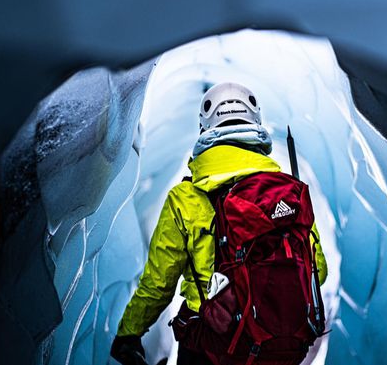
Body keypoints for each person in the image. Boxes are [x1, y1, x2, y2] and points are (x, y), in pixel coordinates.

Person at [111, 82, 328, 365]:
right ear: (256, 123)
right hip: (274, 348)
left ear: (205, 129)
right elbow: (317, 271)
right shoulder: (287, 194)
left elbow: (158, 284)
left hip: (211, 346)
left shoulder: (185, 198)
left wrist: (129, 333)